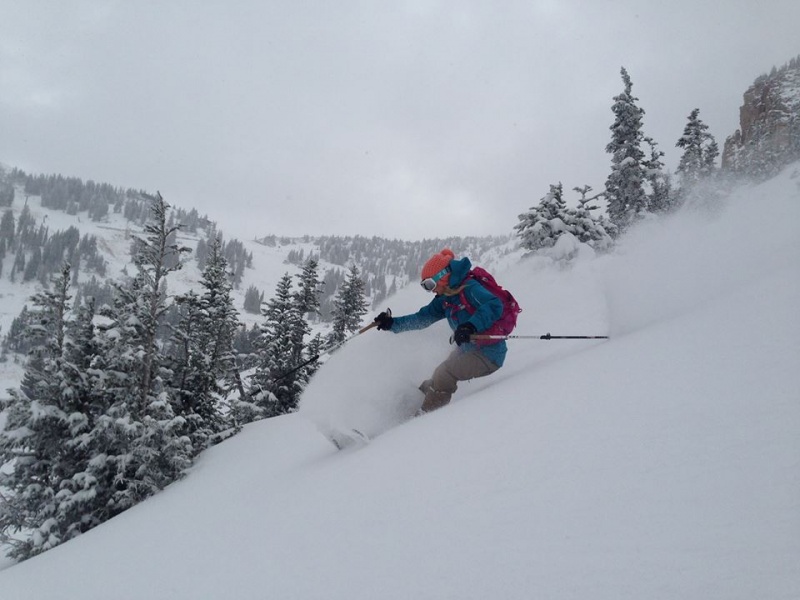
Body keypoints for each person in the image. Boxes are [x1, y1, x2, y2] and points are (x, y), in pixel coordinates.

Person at [373, 248, 506, 413]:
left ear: (443, 277)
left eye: (430, 284)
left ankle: (423, 420)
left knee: (445, 373)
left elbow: (494, 305)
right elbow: (421, 319)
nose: (430, 290)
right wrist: (392, 323)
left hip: (489, 354)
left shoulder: (470, 288)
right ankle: (408, 408)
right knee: (434, 379)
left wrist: (470, 325)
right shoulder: (446, 299)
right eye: (425, 286)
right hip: (468, 350)